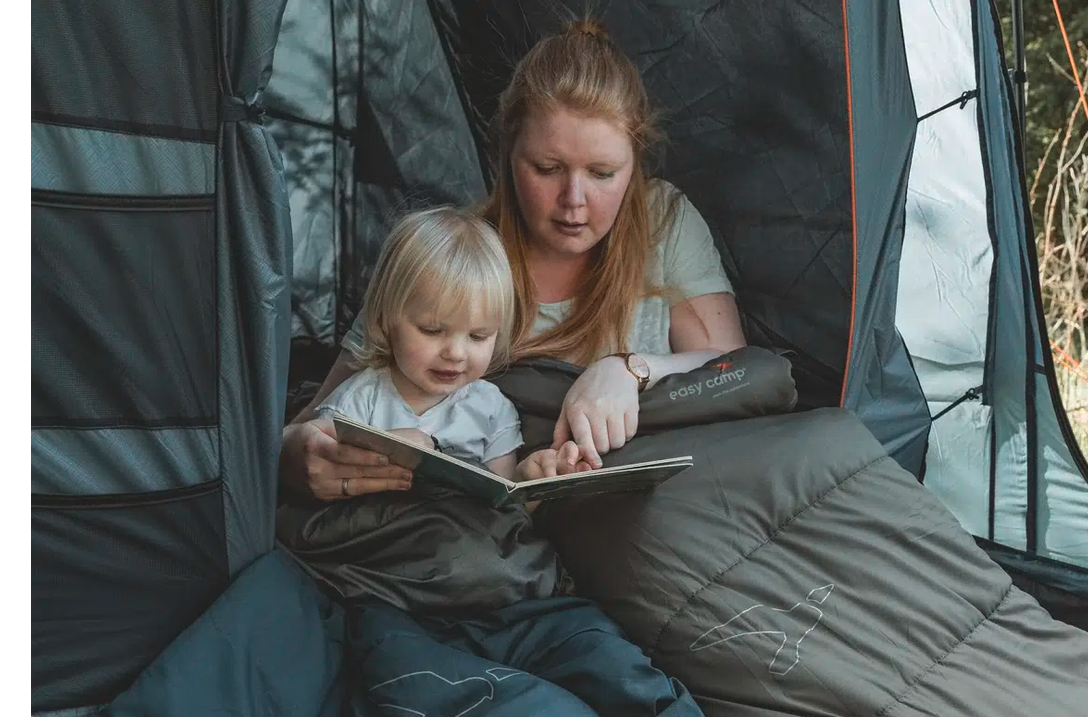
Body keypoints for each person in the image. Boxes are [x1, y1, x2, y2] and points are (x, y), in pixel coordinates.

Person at [281, 17, 746, 502]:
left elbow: (735, 373)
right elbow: (316, 420)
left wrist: (629, 368)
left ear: (634, 165)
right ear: (507, 153)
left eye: (603, 173)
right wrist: (296, 457)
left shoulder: (662, 221)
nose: (574, 199)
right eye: (547, 168)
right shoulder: (456, 255)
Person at [309, 205, 586, 493]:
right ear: (385, 318)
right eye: (432, 330)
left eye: (478, 336)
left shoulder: (491, 409)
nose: (455, 353)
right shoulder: (356, 404)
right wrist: (386, 451)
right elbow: (323, 490)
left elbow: (499, 510)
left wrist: (529, 479)